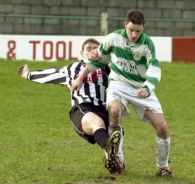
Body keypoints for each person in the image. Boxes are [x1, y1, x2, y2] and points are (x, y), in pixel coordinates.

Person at [71, 10, 172, 177]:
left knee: (162, 127)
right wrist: (81, 78)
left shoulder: (147, 45)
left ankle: (163, 167)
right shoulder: (113, 38)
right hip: (118, 85)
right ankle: (117, 161)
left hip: (141, 87)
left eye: (138, 31)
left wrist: (147, 88)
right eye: (131, 30)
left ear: (143, 28)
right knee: (114, 111)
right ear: (125, 25)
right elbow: (98, 60)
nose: (133, 34)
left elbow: (154, 68)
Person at [18, 38, 125, 174]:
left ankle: (114, 161)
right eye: (88, 48)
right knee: (96, 122)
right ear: (81, 53)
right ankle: (111, 149)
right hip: (82, 109)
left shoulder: (108, 67)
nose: (92, 51)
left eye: (95, 48)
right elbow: (50, 74)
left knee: (114, 130)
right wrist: (28, 74)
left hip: (105, 109)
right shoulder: (72, 69)